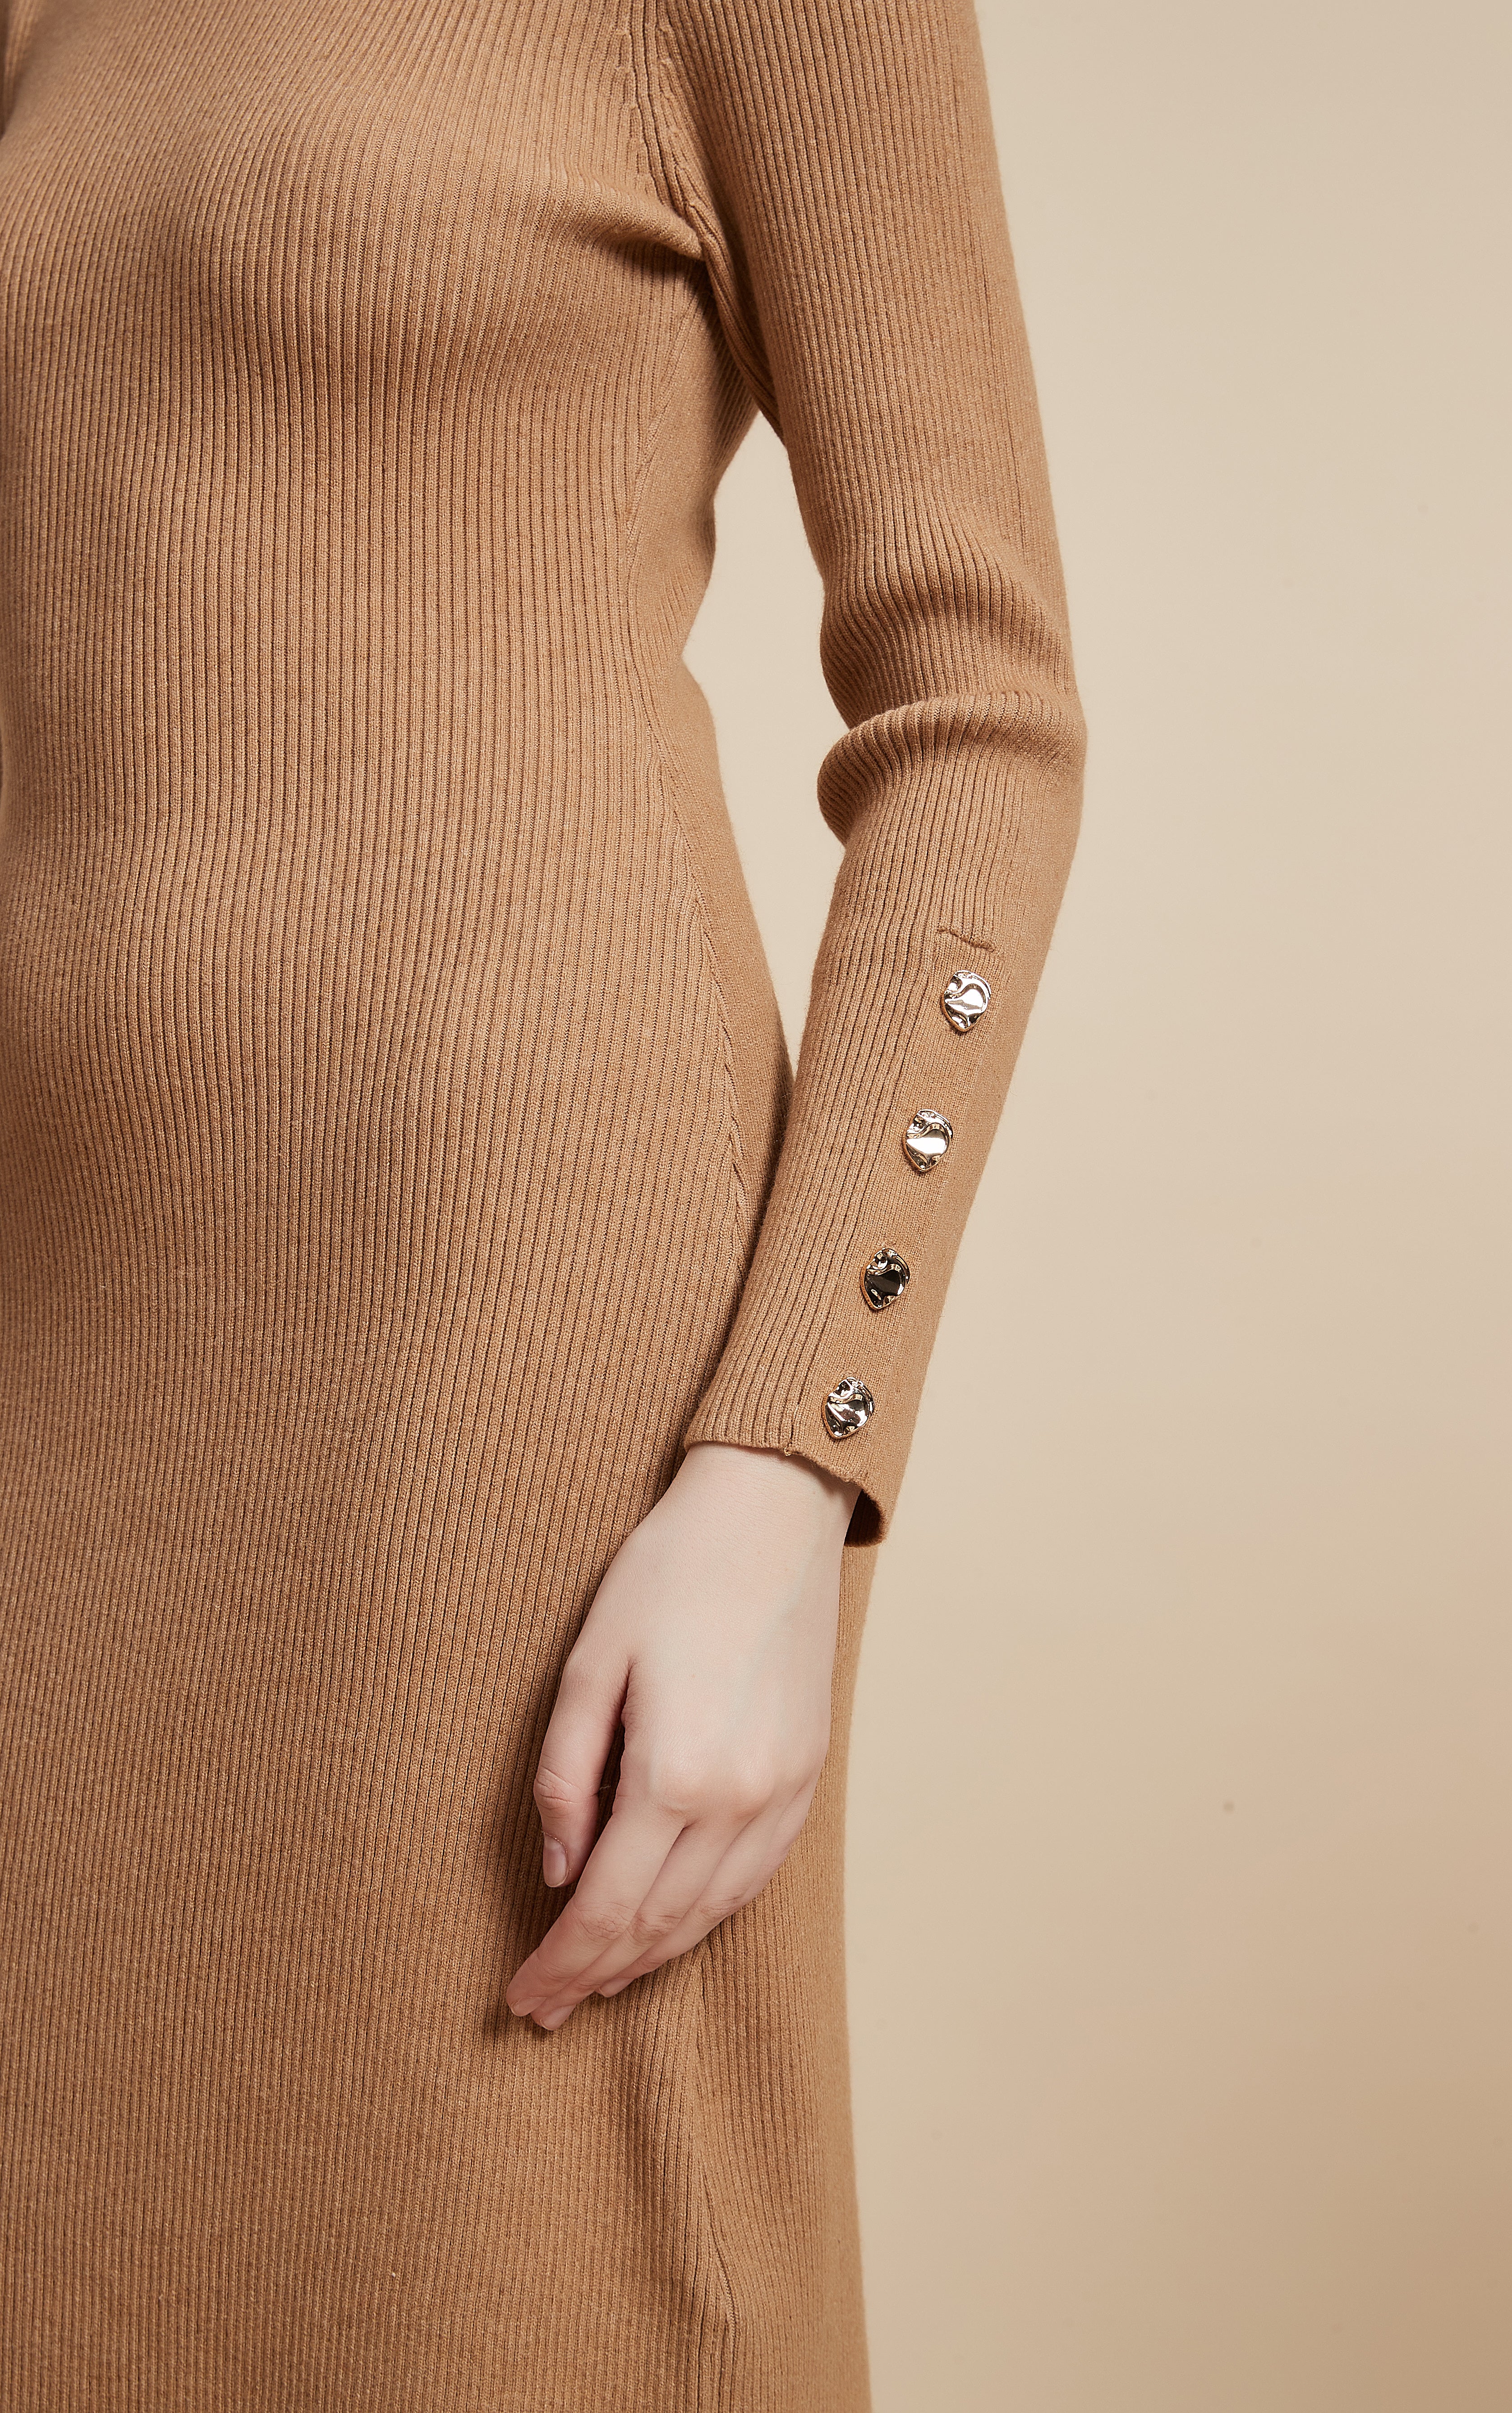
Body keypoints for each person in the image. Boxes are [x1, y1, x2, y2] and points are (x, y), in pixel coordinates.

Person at [0, 0, 1086, 2404]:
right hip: (56, 1375)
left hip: (493, 1344)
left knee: (520, 2282)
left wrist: (797, 1450)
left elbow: (984, 711)